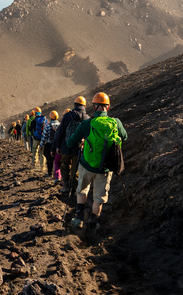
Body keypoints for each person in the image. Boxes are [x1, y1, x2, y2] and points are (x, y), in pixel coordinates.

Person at [66, 92, 127, 233]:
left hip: (87, 165)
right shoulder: (116, 123)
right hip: (106, 169)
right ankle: (93, 224)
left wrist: (82, 142)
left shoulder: (87, 124)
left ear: (94, 107)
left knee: (82, 190)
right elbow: (124, 137)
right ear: (108, 106)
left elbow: (70, 142)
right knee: (99, 197)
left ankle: (79, 220)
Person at [54, 97, 90, 193]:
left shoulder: (67, 116)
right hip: (78, 149)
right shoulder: (87, 118)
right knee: (75, 168)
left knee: (64, 165)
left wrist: (58, 146)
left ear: (74, 105)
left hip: (65, 147)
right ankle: (73, 188)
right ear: (84, 106)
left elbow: (60, 132)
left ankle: (66, 185)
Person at [40, 111, 60, 179]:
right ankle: (57, 174)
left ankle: (50, 173)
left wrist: (41, 146)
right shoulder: (60, 125)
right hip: (58, 145)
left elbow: (44, 137)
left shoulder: (48, 126)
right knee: (57, 160)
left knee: (49, 160)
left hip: (49, 145)